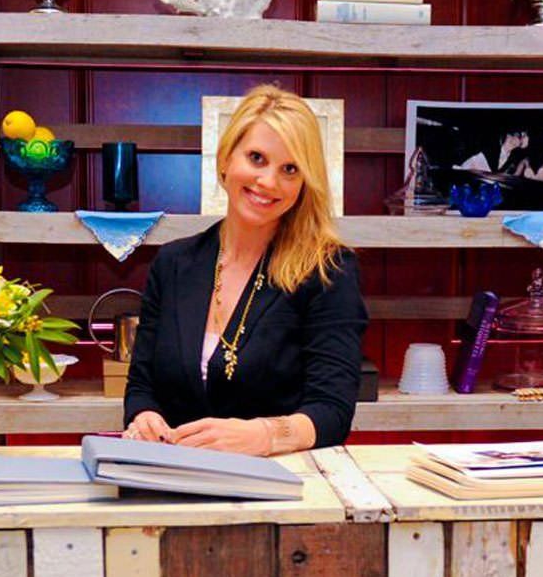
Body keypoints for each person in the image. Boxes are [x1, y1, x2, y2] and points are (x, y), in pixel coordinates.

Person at [123, 85, 368, 454]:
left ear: (304, 183)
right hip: (172, 480)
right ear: (225, 159)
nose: (269, 182)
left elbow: (332, 411)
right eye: (256, 158)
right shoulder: (172, 264)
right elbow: (141, 387)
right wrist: (143, 418)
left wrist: (263, 436)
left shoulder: (327, 271)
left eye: (290, 169)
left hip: (277, 486)